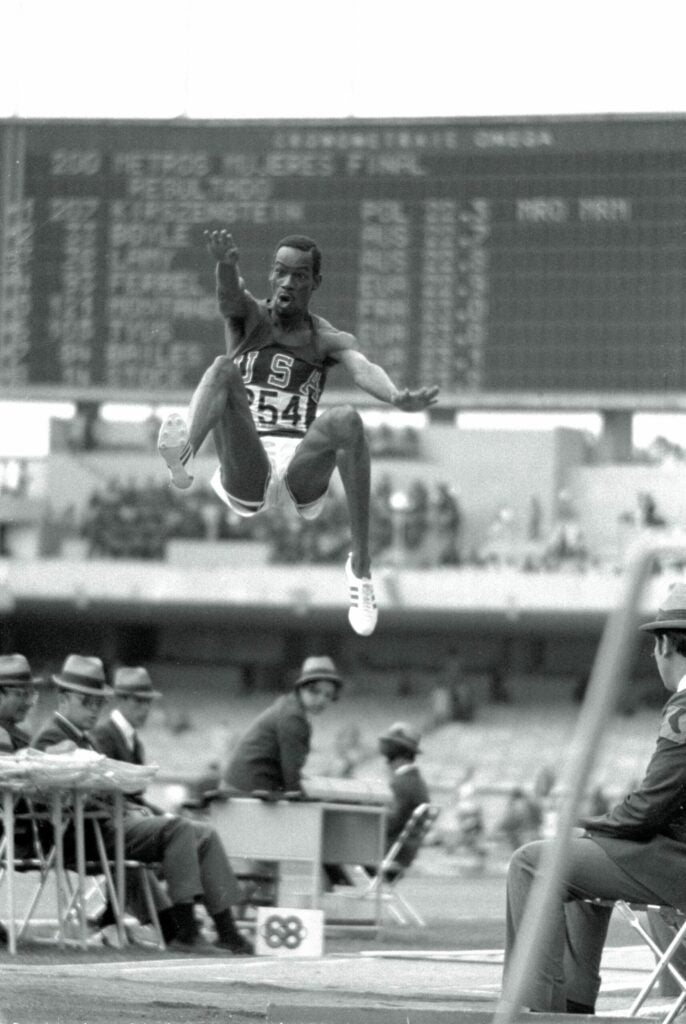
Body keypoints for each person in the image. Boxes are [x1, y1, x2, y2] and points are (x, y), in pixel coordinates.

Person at [157, 230, 439, 637]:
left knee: (347, 420)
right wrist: (225, 265)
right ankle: (183, 458)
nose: (288, 282)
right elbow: (227, 298)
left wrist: (395, 396)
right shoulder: (249, 319)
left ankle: (360, 569)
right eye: (280, 273)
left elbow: (362, 368)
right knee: (222, 368)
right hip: (247, 462)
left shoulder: (326, 338)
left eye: (299, 276)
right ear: (271, 276)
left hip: (299, 469)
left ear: (315, 283)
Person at [504, 582, 686, 1013]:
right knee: (582, 864)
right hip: (673, 853)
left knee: (532, 863)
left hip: (677, 861)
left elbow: (648, 809)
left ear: (664, 645)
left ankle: (541, 1012)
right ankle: (572, 1008)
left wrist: (589, 823)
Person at [32, 654, 253, 956]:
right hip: (82, 835)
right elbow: (55, 797)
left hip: (99, 827)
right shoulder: (53, 737)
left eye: (98, 702)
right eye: (87, 701)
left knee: (193, 831)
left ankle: (223, 930)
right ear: (63, 698)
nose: (94, 710)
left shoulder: (83, 738)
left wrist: (122, 806)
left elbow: (101, 790)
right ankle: (186, 931)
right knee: (178, 830)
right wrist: (121, 807)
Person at [224, 655, 343, 794]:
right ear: (300, 689)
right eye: (314, 691)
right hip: (245, 791)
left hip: (246, 787)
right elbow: (291, 774)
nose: (321, 699)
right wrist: (301, 797)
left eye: (328, 695)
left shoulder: (289, 707)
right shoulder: (293, 717)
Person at [377, 722, 430, 874]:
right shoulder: (415, 781)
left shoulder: (402, 784)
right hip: (404, 853)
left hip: (390, 853)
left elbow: (390, 822)